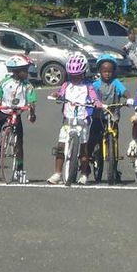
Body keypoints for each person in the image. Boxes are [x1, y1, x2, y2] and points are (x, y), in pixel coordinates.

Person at [0, 55, 37, 182]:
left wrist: (32, 113)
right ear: (15, 71)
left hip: (16, 113)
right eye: (24, 70)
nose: (27, 73)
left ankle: (19, 170)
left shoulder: (28, 86)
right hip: (3, 111)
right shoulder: (5, 82)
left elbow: (31, 101)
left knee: (19, 142)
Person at [46, 54, 100, 185]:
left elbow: (94, 97)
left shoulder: (89, 86)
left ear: (83, 73)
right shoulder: (66, 85)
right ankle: (58, 173)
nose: (75, 78)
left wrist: (96, 102)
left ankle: (84, 173)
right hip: (68, 120)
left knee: (83, 148)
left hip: (83, 120)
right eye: (72, 75)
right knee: (61, 146)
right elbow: (60, 94)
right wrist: (56, 95)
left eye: (78, 75)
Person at [87, 55, 127, 184]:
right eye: (105, 71)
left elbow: (125, 92)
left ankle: (114, 168)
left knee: (114, 141)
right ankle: (87, 158)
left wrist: (129, 98)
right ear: (99, 71)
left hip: (113, 117)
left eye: (110, 71)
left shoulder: (116, 83)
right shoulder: (96, 85)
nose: (107, 74)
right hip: (99, 117)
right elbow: (90, 94)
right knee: (93, 137)